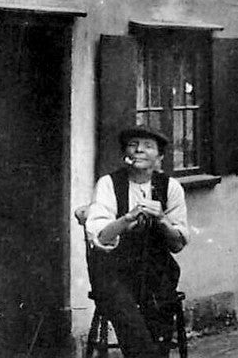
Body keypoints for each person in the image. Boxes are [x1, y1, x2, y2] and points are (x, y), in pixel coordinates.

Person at [86, 126, 188, 358]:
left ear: (160, 157)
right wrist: (127, 219)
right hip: (113, 270)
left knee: (159, 320)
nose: (139, 150)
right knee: (128, 317)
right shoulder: (108, 184)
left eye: (148, 146)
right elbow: (101, 237)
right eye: (133, 145)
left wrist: (162, 219)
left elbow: (177, 245)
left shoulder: (171, 188)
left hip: (155, 270)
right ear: (125, 154)